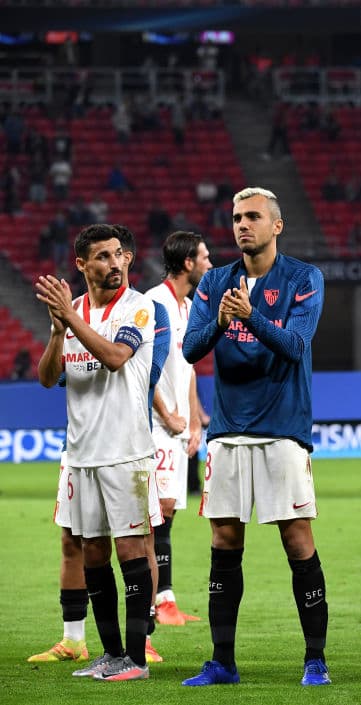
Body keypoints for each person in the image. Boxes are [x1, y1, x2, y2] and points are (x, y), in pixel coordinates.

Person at [181, 187, 329, 687]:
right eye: (237, 217)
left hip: (283, 430)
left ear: (277, 226)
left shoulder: (304, 278)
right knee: (224, 541)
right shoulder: (214, 282)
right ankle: (222, 661)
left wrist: (249, 316)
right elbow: (189, 348)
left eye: (253, 217)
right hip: (226, 431)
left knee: (297, 539)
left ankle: (315, 659)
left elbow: (295, 346)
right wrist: (223, 320)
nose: (243, 225)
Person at [35, 224, 158, 681]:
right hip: (81, 455)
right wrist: (55, 331)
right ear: (82, 265)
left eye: (119, 255)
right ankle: (110, 655)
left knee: (129, 548)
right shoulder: (74, 315)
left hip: (125, 454)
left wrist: (72, 319)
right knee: (92, 554)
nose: (114, 264)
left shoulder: (138, 307)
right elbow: (49, 378)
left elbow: (115, 357)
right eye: (102, 257)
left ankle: (138, 659)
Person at [145, 231, 212, 626]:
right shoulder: (155, 304)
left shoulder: (186, 307)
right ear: (187, 262)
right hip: (153, 425)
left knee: (167, 514)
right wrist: (167, 414)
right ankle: (152, 605)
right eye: (204, 257)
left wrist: (195, 417)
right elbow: (143, 369)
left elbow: (186, 368)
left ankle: (165, 598)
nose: (209, 264)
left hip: (175, 427)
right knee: (155, 514)